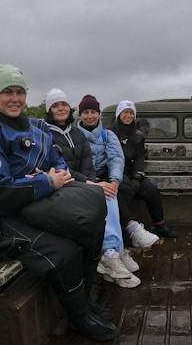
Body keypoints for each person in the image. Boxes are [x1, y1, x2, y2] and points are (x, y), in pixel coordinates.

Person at [0, 65, 119, 341]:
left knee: (91, 230)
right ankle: (78, 317)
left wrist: (51, 178)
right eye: (7, 92)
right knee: (66, 251)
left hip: (34, 209)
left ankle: (85, 301)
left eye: (20, 92)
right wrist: (45, 182)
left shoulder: (35, 131)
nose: (15, 98)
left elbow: (60, 167)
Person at [45, 88, 140, 288]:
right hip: (62, 184)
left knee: (109, 193)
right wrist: (89, 183)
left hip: (82, 181)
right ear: (49, 110)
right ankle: (109, 254)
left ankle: (115, 253)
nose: (60, 109)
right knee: (103, 192)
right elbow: (60, 166)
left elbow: (90, 162)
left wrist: (98, 182)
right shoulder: (45, 133)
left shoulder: (75, 133)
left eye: (63, 104)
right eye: (55, 105)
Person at [76, 94, 161, 248]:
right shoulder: (76, 136)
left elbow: (117, 159)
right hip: (87, 180)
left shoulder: (108, 135)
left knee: (148, 190)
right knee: (119, 192)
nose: (90, 116)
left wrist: (127, 179)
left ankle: (157, 226)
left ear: (99, 114)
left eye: (93, 112)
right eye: (86, 112)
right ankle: (127, 235)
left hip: (116, 177)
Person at [110, 100, 176, 238]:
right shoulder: (110, 134)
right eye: (125, 112)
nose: (128, 116)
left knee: (152, 190)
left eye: (131, 113)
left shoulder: (138, 136)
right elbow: (109, 159)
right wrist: (123, 178)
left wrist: (137, 178)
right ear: (118, 114)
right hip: (116, 176)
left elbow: (140, 158)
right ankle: (126, 232)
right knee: (125, 192)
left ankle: (159, 225)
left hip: (133, 175)